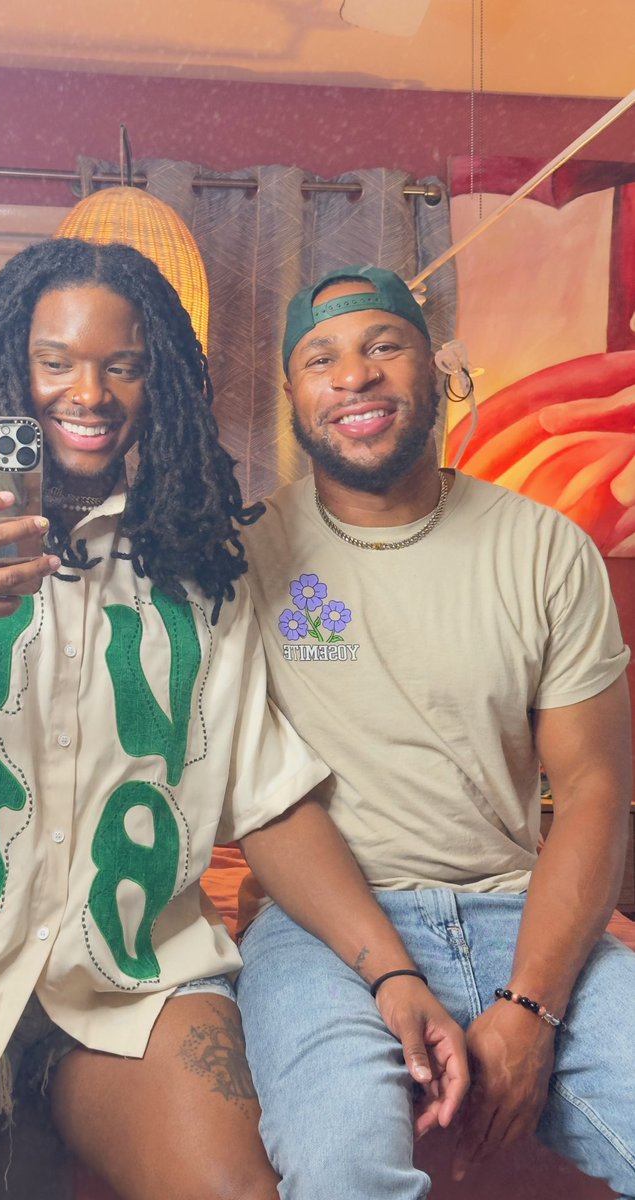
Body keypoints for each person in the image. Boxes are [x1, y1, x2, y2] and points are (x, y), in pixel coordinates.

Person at [0, 243, 471, 1199]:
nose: (89, 393)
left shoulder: (198, 564)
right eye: (54, 361)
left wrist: (390, 972)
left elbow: (264, 796)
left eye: (123, 365)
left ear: (157, 381)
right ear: (6, 367)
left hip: (133, 979)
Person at [237, 265, 635, 1199]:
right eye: (320, 359)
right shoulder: (242, 554)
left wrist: (531, 1005)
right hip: (318, 934)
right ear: (292, 394)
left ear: (440, 368)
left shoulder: (544, 548)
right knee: (342, 1167)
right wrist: (388, 973)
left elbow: (591, 788)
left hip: (516, 911)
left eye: (384, 345)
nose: (354, 376)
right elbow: (257, 793)